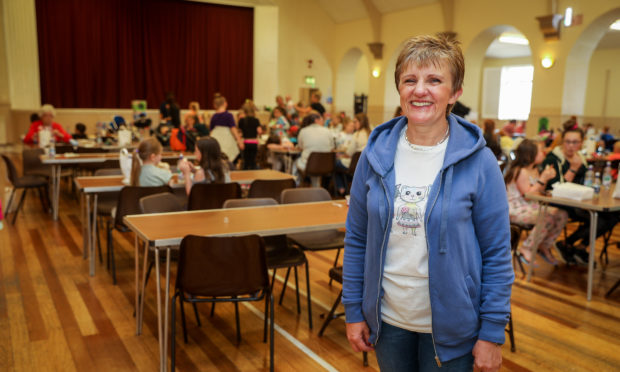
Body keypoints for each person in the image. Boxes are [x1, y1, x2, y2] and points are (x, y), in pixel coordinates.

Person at [343, 34, 513, 372]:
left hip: (454, 328)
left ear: (455, 93)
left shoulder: (479, 162)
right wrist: (352, 310)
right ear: (400, 90)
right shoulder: (374, 155)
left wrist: (492, 332)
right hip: (388, 322)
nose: (420, 90)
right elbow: (357, 240)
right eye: (410, 80)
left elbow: (496, 253)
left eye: (434, 80)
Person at [543, 127, 620, 265]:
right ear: (562, 142)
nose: (571, 146)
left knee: (615, 215)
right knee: (600, 218)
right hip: (562, 201)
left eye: (575, 142)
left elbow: (587, 181)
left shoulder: (581, 157)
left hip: (583, 199)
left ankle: (579, 246)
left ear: (581, 143)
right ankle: (568, 244)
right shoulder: (553, 159)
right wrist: (573, 168)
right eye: (568, 142)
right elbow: (556, 189)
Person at [505, 140, 568, 265]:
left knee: (562, 214)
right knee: (546, 216)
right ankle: (526, 247)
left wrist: (545, 179)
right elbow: (528, 195)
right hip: (515, 208)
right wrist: (543, 178)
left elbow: (538, 191)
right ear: (530, 154)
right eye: (540, 151)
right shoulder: (521, 171)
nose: (544, 153)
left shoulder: (535, 170)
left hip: (530, 206)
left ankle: (544, 245)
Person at [295, 113, 334, 178]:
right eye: (322, 120)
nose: (323, 122)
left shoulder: (303, 131)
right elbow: (332, 147)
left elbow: (300, 147)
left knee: (295, 163)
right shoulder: (328, 131)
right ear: (316, 120)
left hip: (309, 164)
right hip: (327, 165)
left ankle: (296, 185)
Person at [237, 105, 262, 169]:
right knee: (253, 161)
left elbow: (239, 131)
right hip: (254, 143)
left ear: (244, 112)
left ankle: (245, 176)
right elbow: (259, 131)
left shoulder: (242, 120)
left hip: (245, 142)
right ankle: (253, 175)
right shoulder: (256, 120)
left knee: (246, 162)